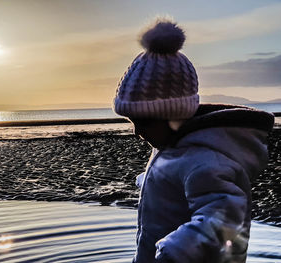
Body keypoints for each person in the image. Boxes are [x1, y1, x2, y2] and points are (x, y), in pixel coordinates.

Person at [113, 19, 275, 263]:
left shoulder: (205, 159)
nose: (137, 132)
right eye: (131, 121)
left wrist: (174, 252)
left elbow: (226, 219)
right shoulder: (170, 148)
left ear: (173, 116)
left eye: (143, 123)